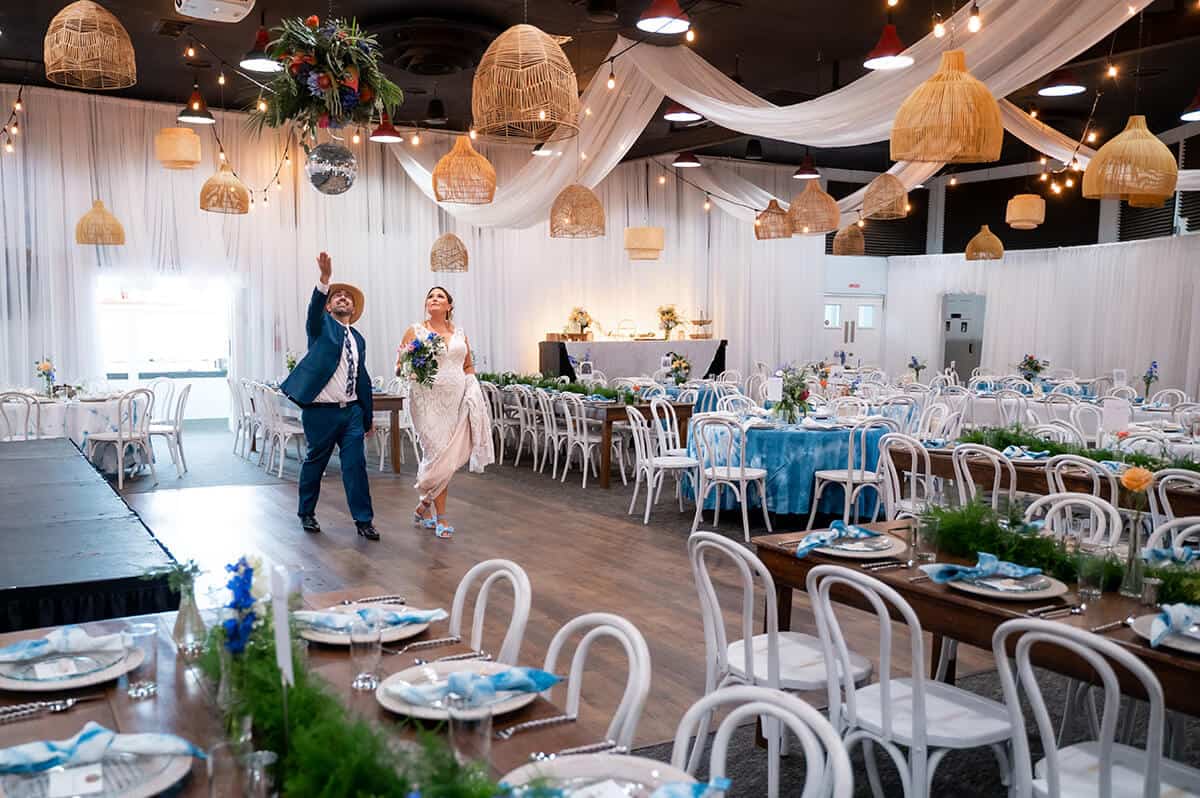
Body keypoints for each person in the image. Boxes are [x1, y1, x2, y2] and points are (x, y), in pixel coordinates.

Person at [280, 252, 379, 541]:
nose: (343, 299)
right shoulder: (321, 328)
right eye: (338, 296)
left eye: (348, 297)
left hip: (351, 412)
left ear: (353, 308)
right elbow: (312, 312)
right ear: (328, 305)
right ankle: (306, 512)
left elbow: (362, 378)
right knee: (316, 462)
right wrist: (324, 280)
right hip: (320, 412)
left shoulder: (358, 338)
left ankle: (364, 520)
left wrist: (367, 417)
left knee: (355, 465)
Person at [400, 286, 494, 539]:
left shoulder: (460, 334)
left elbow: (468, 365)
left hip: (455, 399)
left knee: (447, 455)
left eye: (440, 296)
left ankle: (424, 504)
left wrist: (473, 389)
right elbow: (400, 363)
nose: (434, 299)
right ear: (426, 304)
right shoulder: (415, 330)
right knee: (438, 451)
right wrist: (409, 369)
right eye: (430, 296)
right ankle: (441, 517)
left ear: (449, 306)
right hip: (426, 399)